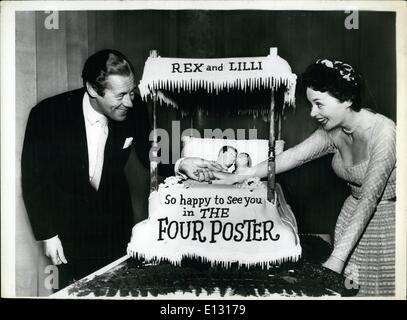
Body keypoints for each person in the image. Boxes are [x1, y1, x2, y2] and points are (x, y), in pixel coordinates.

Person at [178, 59, 396, 296]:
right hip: (349, 222)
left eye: (319, 104)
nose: (313, 113)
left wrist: (336, 260)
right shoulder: (333, 131)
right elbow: (293, 157)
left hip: (384, 225)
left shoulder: (385, 133)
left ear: (347, 100)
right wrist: (242, 174)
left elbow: (368, 200)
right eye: (311, 104)